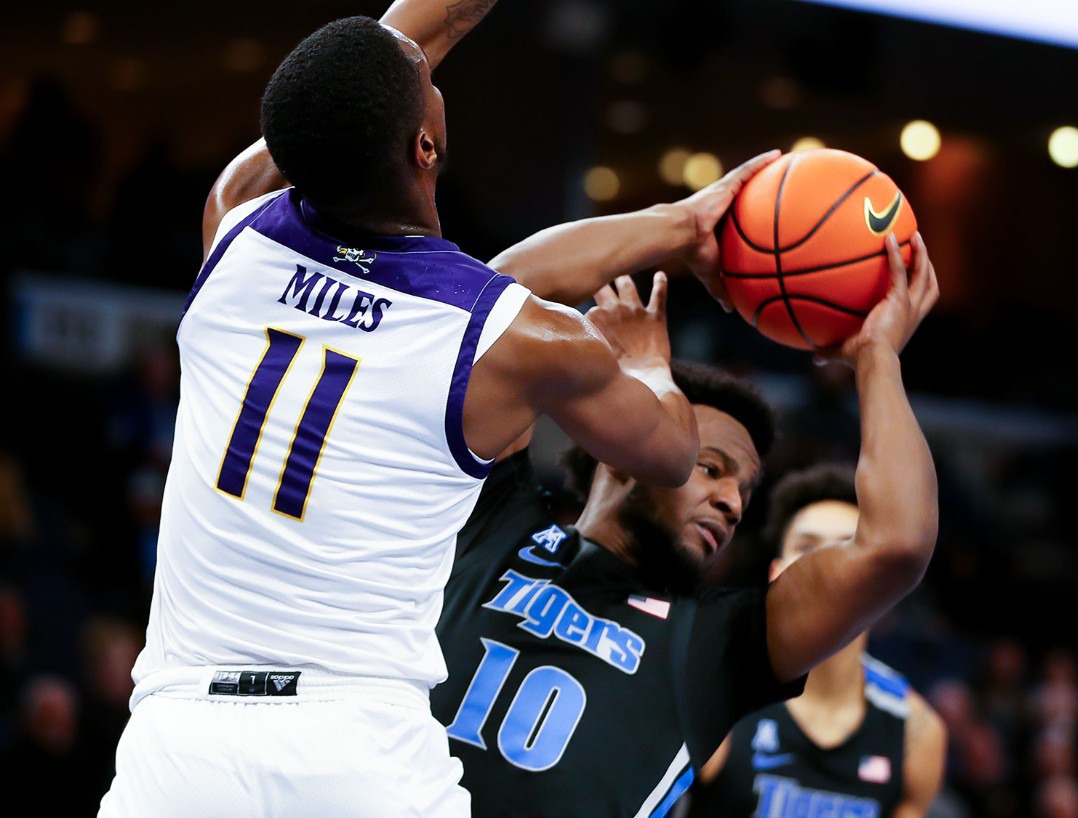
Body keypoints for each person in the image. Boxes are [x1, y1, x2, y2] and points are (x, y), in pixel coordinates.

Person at [98, 0, 776, 814]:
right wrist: (652, 360)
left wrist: (675, 224)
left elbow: (393, 50)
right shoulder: (515, 341)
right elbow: (669, 452)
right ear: (425, 145)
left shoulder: (233, 230)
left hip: (182, 745)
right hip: (354, 751)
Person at [428, 217, 940, 816]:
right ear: (622, 454)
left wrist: (877, 356)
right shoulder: (497, 522)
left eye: (745, 492)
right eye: (713, 468)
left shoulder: (716, 643)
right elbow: (497, 294)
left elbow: (897, 545)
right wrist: (689, 224)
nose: (732, 502)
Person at [682, 462, 948, 818]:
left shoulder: (916, 731)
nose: (826, 565)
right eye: (808, 547)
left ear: (882, 582)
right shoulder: (712, 694)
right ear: (776, 574)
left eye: (847, 548)